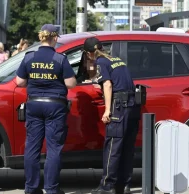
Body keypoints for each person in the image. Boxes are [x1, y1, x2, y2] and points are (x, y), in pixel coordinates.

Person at [16, 24, 77, 194]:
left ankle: (31, 189)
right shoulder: (60, 59)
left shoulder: (29, 57)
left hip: (34, 104)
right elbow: (71, 83)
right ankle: (51, 189)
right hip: (55, 105)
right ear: (55, 38)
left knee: (32, 148)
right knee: (53, 148)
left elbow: (19, 82)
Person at [81, 37, 141, 194]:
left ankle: (107, 186)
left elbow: (107, 84)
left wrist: (107, 110)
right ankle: (124, 185)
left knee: (113, 147)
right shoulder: (116, 60)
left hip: (119, 106)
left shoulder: (100, 62)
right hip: (132, 106)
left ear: (89, 53)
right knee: (127, 148)